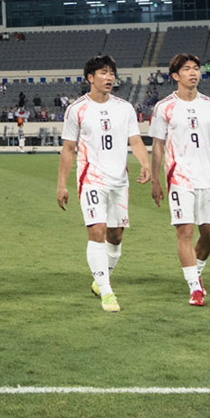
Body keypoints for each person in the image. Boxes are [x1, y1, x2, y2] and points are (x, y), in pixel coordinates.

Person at [58, 55, 150, 312]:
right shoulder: (77, 109)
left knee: (115, 236)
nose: (109, 78)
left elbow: (135, 141)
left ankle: (101, 279)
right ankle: (107, 293)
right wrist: (61, 185)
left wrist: (145, 163)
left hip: (119, 181)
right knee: (96, 231)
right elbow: (68, 148)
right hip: (92, 180)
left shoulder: (124, 108)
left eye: (112, 73)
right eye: (103, 73)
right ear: (90, 77)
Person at [148, 54, 210, 306]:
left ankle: (196, 274)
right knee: (185, 232)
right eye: (187, 69)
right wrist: (156, 180)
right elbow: (157, 145)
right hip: (179, 178)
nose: (193, 73)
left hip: (207, 179)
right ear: (175, 76)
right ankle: (194, 289)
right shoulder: (164, 107)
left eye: (196, 69)